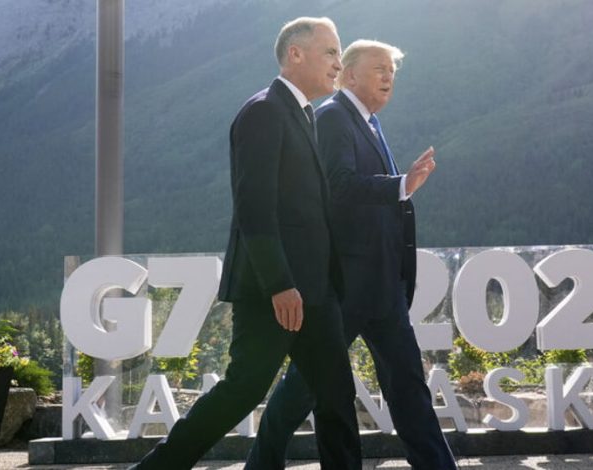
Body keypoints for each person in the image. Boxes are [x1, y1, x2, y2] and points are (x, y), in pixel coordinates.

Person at [131, 17, 361, 470]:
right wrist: (280, 284)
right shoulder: (263, 112)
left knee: (336, 393)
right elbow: (255, 209)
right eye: (331, 52)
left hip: (315, 293)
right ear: (295, 54)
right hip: (275, 292)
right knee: (243, 390)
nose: (339, 63)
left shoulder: (301, 113)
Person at [248, 39, 457, 470]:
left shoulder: (369, 122)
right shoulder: (332, 117)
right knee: (303, 388)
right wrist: (401, 186)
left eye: (392, 71)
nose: (388, 77)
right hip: (342, 288)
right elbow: (338, 185)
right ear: (349, 74)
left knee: (409, 388)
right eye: (379, 68)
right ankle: (260, 464)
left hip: (383, 288)